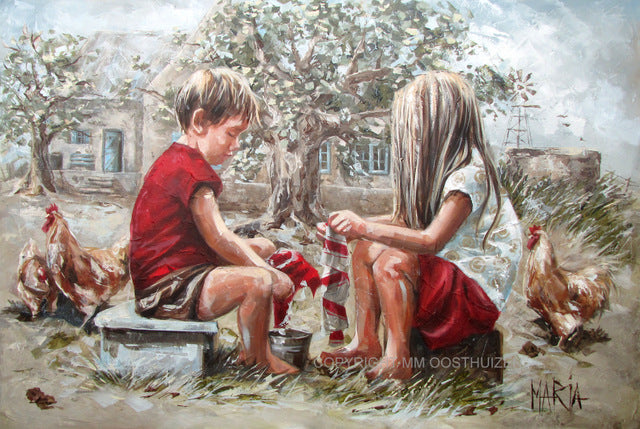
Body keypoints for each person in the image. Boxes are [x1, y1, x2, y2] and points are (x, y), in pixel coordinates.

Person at [318, 71, 522, 379]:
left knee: (393, 261)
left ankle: (398, 358)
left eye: (416, 124)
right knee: (365, 249)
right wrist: (352, 227)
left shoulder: (469, 175)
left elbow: (430, 241)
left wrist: (362, 227)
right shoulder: (447, 168)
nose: (410, 134)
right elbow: (407, 223)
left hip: (475, 295)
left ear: (442, 124)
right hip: (450, 276)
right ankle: (366, 343)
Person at [129, 68, 297, 374]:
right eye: (232, 133)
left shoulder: (177, 160)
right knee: (258, 281)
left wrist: (258, 255)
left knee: (263, 246)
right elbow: (219, 238)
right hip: (169, 289)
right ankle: (257, 359)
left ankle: (256, 349)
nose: (237, 145)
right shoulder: (190, 172)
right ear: (199, 122)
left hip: (180, 271)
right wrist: (271, 274)